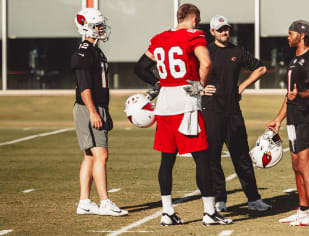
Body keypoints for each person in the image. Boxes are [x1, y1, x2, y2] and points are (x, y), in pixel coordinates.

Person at [134, 3, 232, 226]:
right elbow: (205, 63)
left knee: (166, 160)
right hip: (186, 102)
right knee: (202, 158)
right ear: (195, 19)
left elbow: (140, 68)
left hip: (164, 105)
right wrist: (200, 86)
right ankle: (209, 212)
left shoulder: (159, 38)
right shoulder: (194, 35)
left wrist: (159, 83)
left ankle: (167, 212)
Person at [201, 15, 272, 213]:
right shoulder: (205, 52)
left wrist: (241, 87)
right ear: (212, 32)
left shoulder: (237, 51)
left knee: (241, 156)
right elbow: (191, 74)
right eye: (220, 29)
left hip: (233, 112)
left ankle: (254, 199)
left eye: (227, 29)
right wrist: (200, 89)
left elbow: (261, 68)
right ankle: (220, 199)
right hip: (211, 111)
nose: (225, 32)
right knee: (212, 156)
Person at [266, 20, 309, 226]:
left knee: (305, 165)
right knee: (295, 165)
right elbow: (288, 95)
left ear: (301, 35)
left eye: (290, 33)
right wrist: (278, 119)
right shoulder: (294, 60)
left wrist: (300, 95)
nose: (288, 36)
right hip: (294, 118)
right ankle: (303, 210)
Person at [72, 8, 128, 216]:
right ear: (86, 27)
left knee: (89, 156)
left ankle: (84, 202)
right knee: (101, 154)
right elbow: (84, 87)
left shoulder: (95, 50)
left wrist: (104, 111)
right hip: (89, 108)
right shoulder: (84, 52)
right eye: (97, 25)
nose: (101, 28)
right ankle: (104, 202)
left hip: (97, 107)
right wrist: (94, 112)